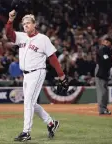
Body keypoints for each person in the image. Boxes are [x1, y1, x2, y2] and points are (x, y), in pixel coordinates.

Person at [5, 10, 69, 142]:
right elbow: (9, 34)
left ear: (34, 24)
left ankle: (26, 132)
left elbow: (53, 58)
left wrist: (61, 76)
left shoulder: (43, 39)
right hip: (26, 74)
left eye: (28, 23)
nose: (25, 25)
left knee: (28, 102)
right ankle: (51, 123)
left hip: (37, 72)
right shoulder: (21, 36)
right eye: (23, 24)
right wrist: (10, 20)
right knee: (31, 103)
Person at [95, 39, 112, 115]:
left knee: (104, 91)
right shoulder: (103, 49)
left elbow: (109, 61)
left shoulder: (108, 50)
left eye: (108, 42)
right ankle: (102, 109)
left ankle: (103, 108)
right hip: (101, 70)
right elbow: (105, 59)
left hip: (104, 71)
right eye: (106, 41)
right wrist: (110, 60)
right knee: (102, 91)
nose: (107, 43)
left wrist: (111, 61)